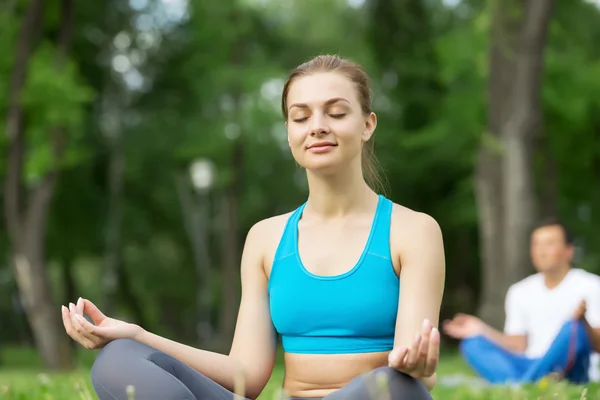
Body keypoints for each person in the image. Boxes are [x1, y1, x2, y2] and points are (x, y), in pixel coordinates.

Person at [61, 54, 446, 400]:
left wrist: (416, 369)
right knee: (120, 359)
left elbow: (414, 375)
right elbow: (245, 374)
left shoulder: (413, 231)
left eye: (336, 113)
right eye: (301, 117)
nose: (317, 126)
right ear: (290, 132)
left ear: (367, 125)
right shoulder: (266, 237)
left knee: (390, 385)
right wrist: (138, 334)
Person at [443, 219, 600, 385]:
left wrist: (582, 323)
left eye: (549, 244)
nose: (542, 251)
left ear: (569, 250)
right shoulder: (519, 291)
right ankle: (530, 383)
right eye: (536, 245)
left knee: (573, 327)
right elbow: (517, 346)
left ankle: (522, 386)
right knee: (472, 343)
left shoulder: (592, 285)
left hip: (570, 369)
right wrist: (481, 329)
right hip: (529, 363)